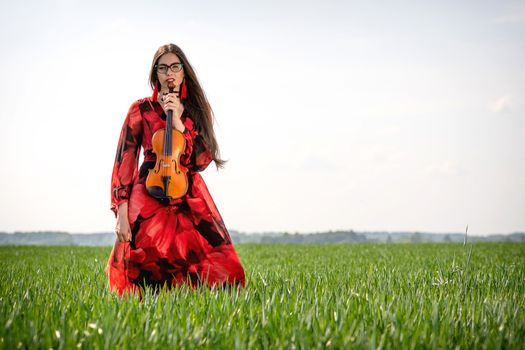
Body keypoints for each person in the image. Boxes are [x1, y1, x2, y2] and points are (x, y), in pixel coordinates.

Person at [105, 43, 245, 297]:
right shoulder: (140, 110)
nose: (169, 73)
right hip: (149, 187)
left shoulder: (197, 109)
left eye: (175, 66)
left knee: (222, 263)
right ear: (155, 74)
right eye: (162, 68)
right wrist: (121, 211)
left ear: (183, 72)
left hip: (187, 189)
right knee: (142, 262)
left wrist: (179, 122)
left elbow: (202, 160)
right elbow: (124, 160)